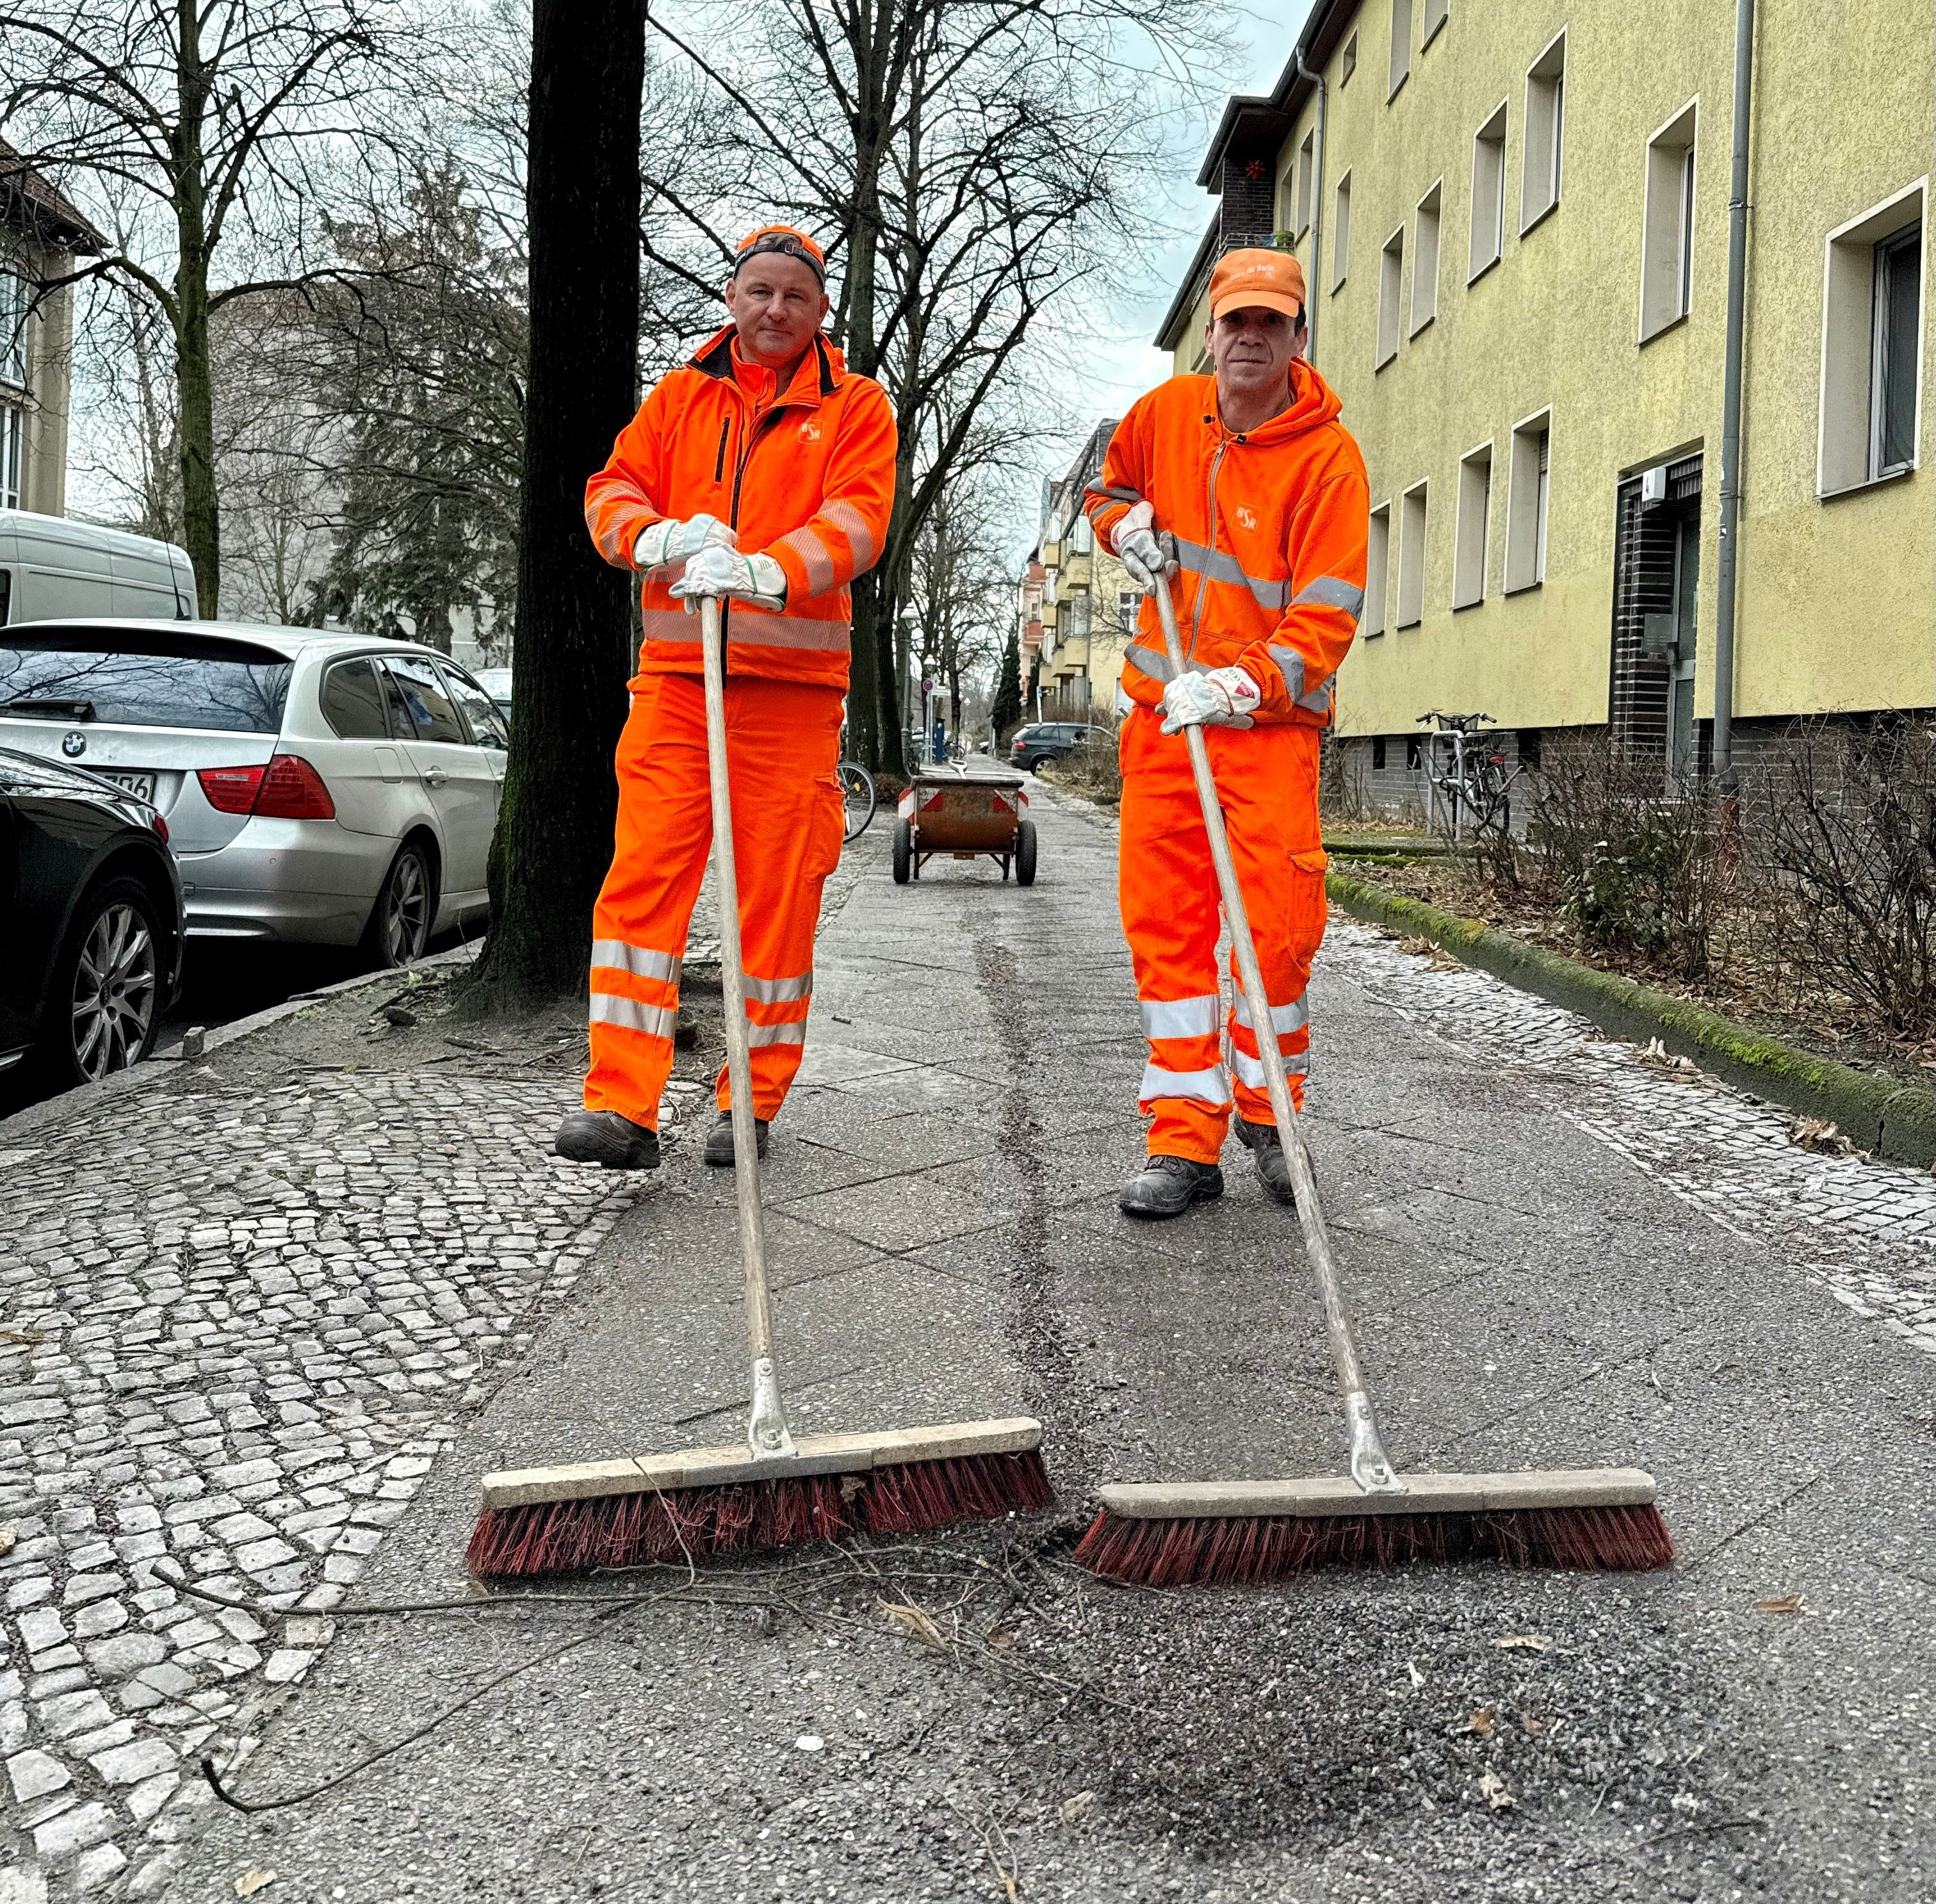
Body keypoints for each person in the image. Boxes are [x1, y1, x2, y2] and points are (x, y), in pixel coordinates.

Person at [554, 224, 897, 1171]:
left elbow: (859, 523)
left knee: (775, 911)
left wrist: (766, 568)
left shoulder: (858, 407)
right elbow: (608, 491)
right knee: (641, 888)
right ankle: (620, 1103)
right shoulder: (679, 398)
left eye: (795, 295)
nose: (775, 309)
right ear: (731, 298)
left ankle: (749, 1098)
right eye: (759, 292)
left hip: (789, 701)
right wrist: (657, 539)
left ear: (821, 310)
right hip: (673, 687)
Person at [1083, 248, 1369, 1219]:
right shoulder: (1164, 417)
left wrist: (1240, 686)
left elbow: (1324, 622)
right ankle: (1181, 1140)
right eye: (1235, 321)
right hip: (1163, 727)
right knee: (1168, 932)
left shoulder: (1328, 459)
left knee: (1277, 937)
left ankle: (1272, 1116)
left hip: (1267, 736)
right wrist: (1117, 526)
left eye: (1270, 323)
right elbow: (1108, 488)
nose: (1251, 337)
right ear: (1211, 333)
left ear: (1297, 336)